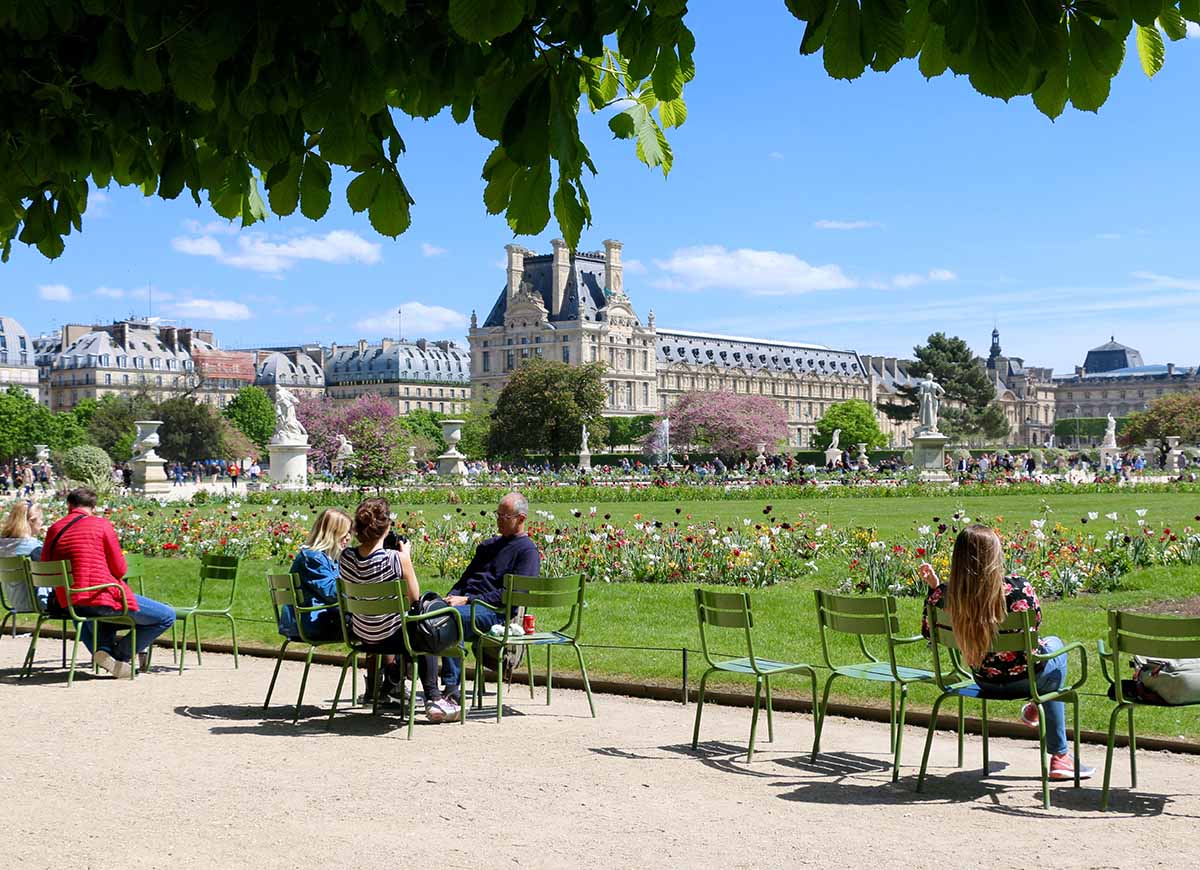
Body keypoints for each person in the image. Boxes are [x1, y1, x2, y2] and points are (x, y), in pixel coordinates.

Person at [919, 524, 1093, 781]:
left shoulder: (945, 596)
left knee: (1047, 655)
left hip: (984, 680)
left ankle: (1058, 748)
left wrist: (936, 587)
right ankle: (1058, 753)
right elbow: (1035, 628)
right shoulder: (1019, 588)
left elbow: (927, 631)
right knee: (1055, 646)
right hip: (1025, 681)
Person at [339, 498, 455, 722]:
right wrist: (407, 557)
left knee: (415, 628)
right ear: (387, 527)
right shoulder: (397, 559)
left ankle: (389, 684)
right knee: (426, 624)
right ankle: (433, 697)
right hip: (390, 636)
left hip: (362, 634)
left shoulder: (347, 558)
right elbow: (414, 601)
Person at [41, 487, 176, 678]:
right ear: (93, 508)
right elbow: (120, 569)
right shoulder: (101, 525)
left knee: (87, 611)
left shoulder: (55, 529)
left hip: (69, 601)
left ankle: (104, 650)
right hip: (100, 598)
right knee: (166, 616)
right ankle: (118, 654)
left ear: (69, 506)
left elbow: (46, 565)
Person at [438, 492, 541, 704]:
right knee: (423, 612)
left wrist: (467, 600)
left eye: (504, 517)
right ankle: (399, 681)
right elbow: (466, 579)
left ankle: (450, 688)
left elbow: (513, 596)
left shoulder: (527, 551)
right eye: (498, 514)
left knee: (449, 618)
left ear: (521, 519)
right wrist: (453, 595)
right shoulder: (488, 546)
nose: (498, 520)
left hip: (495, 612)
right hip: (468, 605)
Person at [278, 508, 352, 641]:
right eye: (345, 533)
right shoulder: (313, 559)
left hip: (318, 619)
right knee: (375, 628)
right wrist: (360, 589)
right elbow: (333, 594)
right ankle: (385, 662)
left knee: (376, 626)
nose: (348, 537)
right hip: (314, 623)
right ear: (332, 533)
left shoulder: (325, 558)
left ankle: (380, 662)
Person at [0, 500, 46, 611]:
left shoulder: (2, 545)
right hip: (38, 601)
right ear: (32, 521)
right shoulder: (34, 548)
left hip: (14, 601)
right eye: (41, 520)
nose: (42, 523)